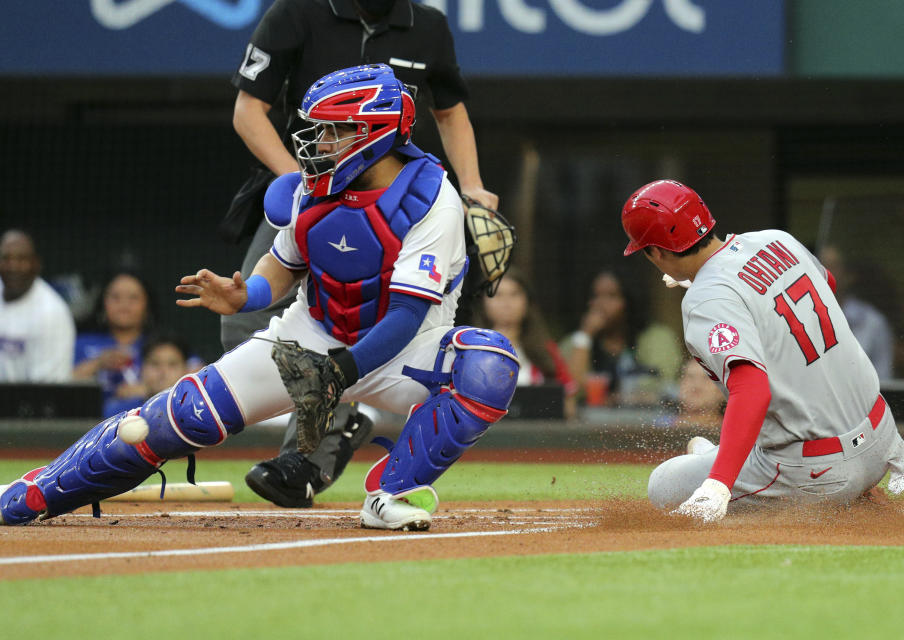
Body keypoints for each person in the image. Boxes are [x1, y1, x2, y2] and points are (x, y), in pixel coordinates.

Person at [0, 65, 520, 532]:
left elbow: (406, 315)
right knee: (179, 417)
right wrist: (243, 294)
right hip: (309, 335)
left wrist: (341, 371)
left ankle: (391, 495)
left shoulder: (433, 201)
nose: (320, 143)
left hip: (403, 350)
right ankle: (37, 490)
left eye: (336, 132)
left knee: (488, 367)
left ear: (375, 135)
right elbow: (282, 266)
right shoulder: (310, 189)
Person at [223, 0, 499, 504]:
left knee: (391, 313)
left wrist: (474, 185)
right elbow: (248, 111)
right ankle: (345, 415)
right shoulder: (295, 12)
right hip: (306, 187)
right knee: (240, 323)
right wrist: (308, 184)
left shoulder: (429, 25)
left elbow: (450, 111)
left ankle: (303, 463)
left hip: (392, 201)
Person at [620, 179, 904, 523]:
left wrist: (718, 485)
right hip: (883, 440)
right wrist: (725, 291)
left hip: (820, 471)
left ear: (656, 252)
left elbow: (752, 389)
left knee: (664, 485)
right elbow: (826, 287)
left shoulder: (705, 299)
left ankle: (719, 462)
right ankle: (723, 457)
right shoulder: (776, 239)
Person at [562, 267, 682, 408]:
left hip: (646, 423)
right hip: (588, 424)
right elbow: (570, 390)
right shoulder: (576, 342)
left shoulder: (656, 338)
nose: (601, 304)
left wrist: (616, 399)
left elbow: (661, 384)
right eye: (595, 296)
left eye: (612, 296)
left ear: (629, 300)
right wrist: (585, 335)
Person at [476, 273, 576, 418]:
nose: (506, 302)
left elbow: (569, 402)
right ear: (483, 301)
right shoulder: (468, 349)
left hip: (537, 435)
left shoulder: (546, 349)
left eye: (514, 294)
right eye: (497, 294)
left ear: (527, 301)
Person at [73, 271, 155, 415]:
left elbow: (194, 378)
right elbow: (59, 384)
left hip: (149, 423)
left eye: (133, 298)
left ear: (147, 305)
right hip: (89, 424)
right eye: (116, 297)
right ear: (103, 303)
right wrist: (97, 364)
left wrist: (150, 390)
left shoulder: (160, 345)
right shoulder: (82, 343)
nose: (124, 304)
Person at [0, 229, 75, 382]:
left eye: (21, 259)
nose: (13, 266)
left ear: (36, 264)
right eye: (6, 258)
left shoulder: (52, 313)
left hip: (22, 403)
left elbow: (45, 391)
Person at [817, 246, 895, 380]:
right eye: (820, 264)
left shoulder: (872, 323)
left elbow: (884, 381)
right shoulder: (800, 318)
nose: (824, 271)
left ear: (849, 276)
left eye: (833, 265)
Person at [102, 332, 193, 416]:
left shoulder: (196, 413)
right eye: (155, 363)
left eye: (172, 364)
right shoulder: (118, 412)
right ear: (142, 369)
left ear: (186, 370)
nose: (162, 372)